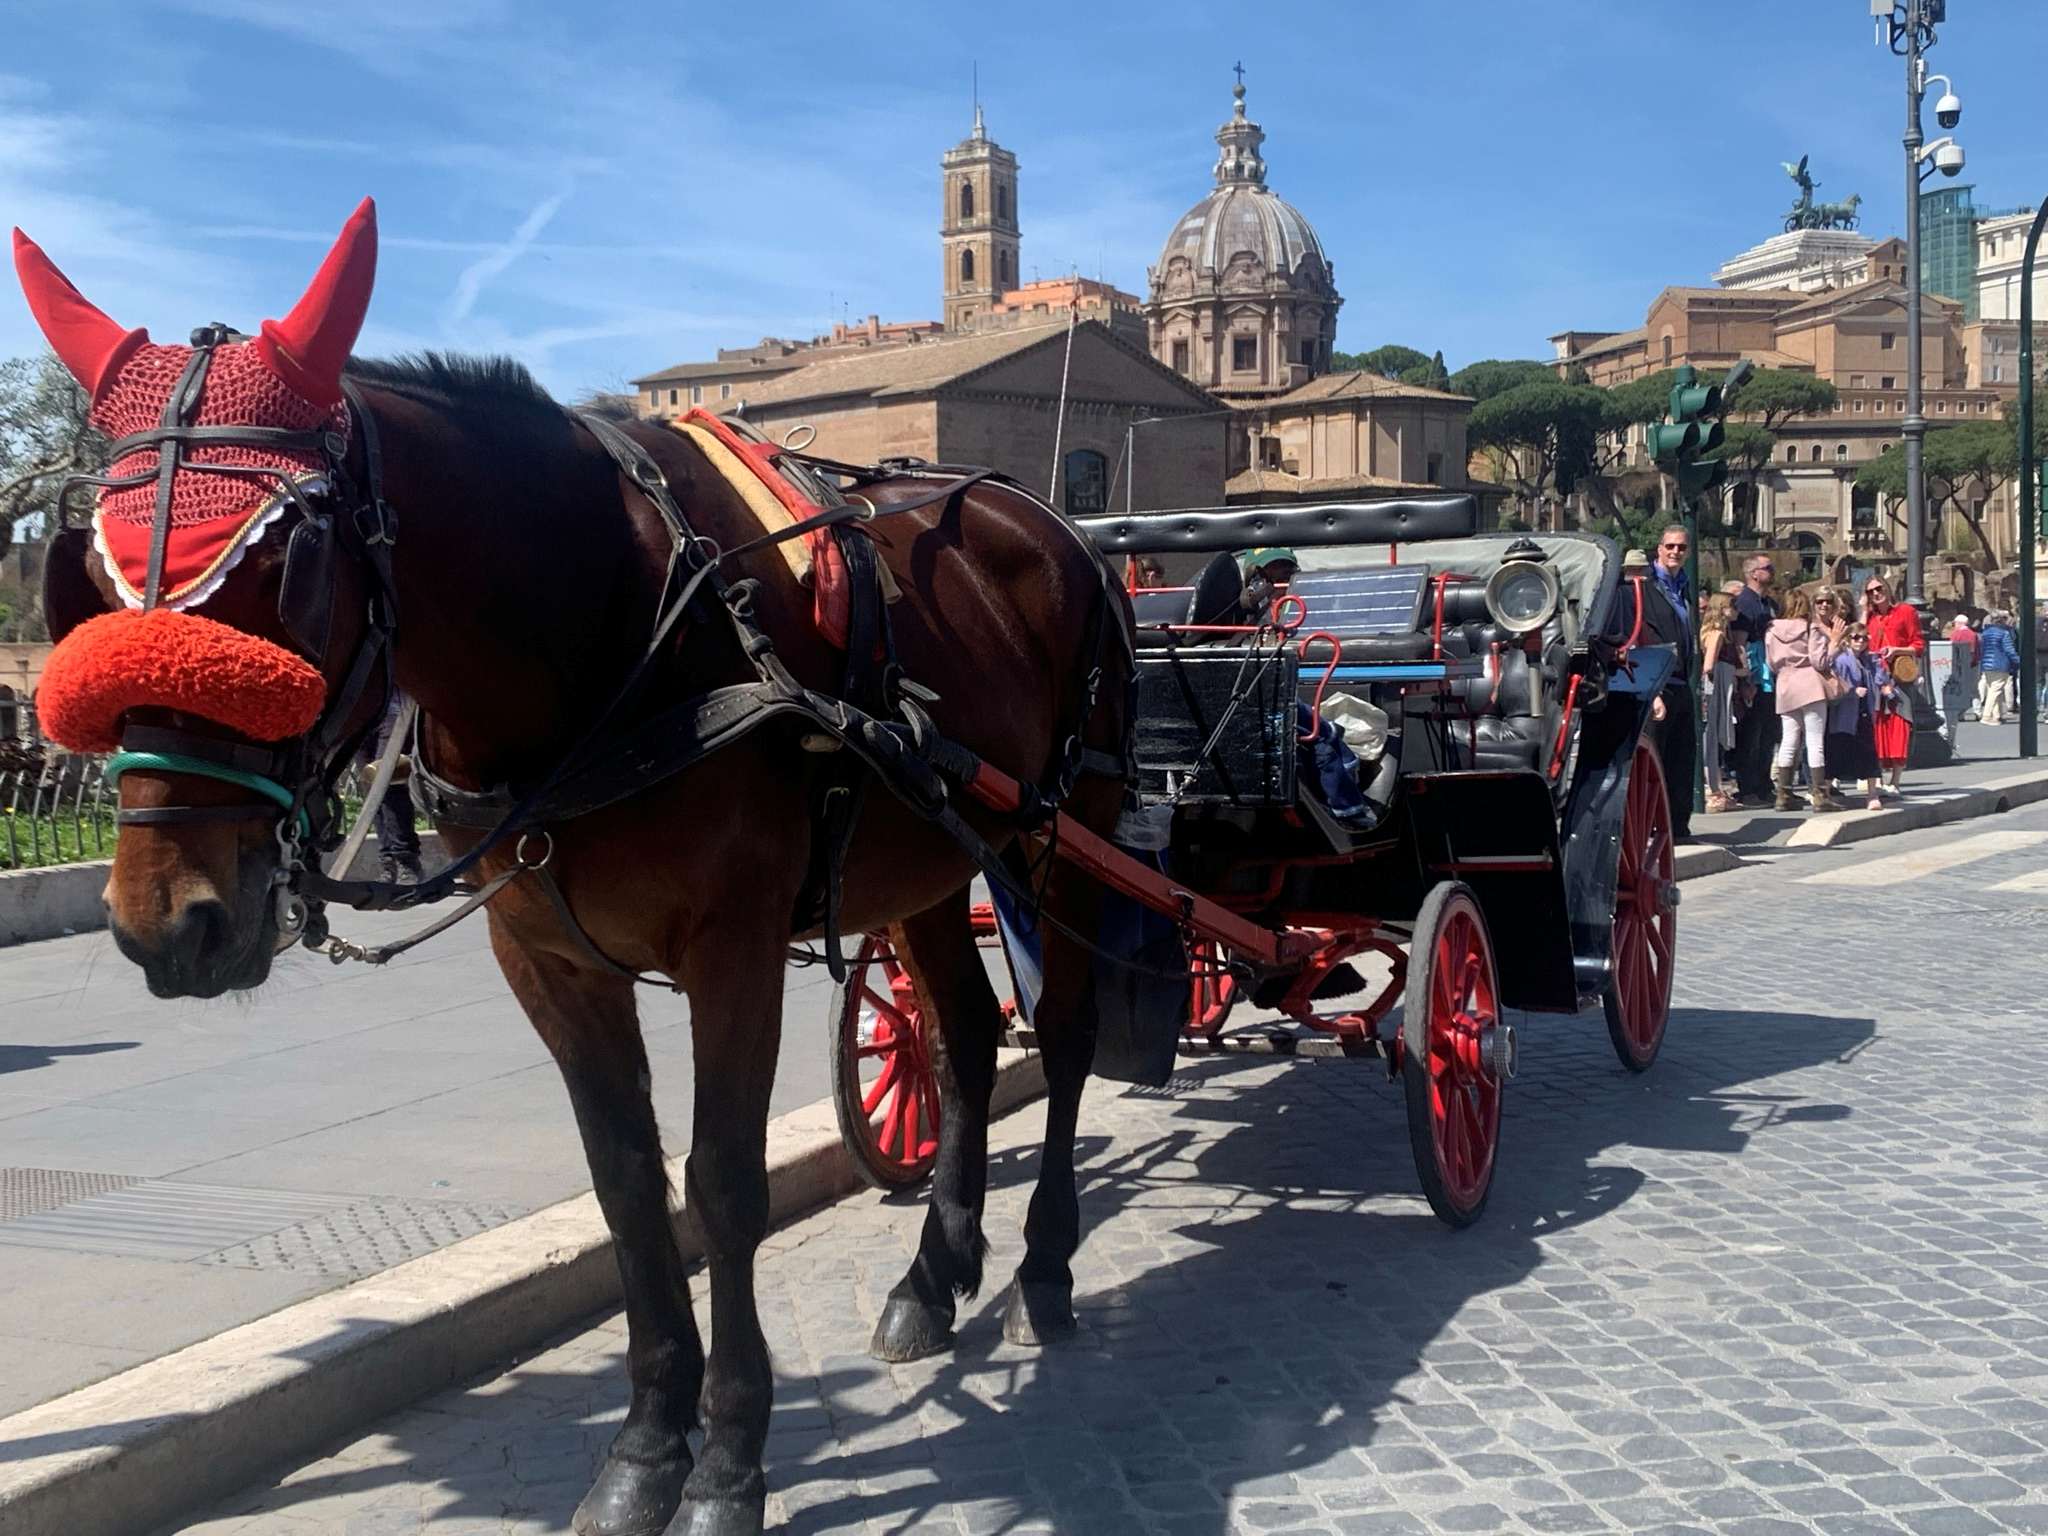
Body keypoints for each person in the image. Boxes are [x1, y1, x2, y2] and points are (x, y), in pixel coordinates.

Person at [1637, 526, 1696, 841]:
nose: (1675, 552)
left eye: (1682, 548)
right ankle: (1651, 826)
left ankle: (1678, 826)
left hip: (1681, 681)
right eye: (1670, 546)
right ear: (1658, 549)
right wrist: (1654, 689)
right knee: (1655, 760)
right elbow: (1641, 637)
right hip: (1657, 684)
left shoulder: (1682, 586)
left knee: (1682, 758)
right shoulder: (1645, 586)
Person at [1767, 587, 1844, 813]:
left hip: (1785, 685)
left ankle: (1783, 793)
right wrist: (1835, 644)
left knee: (1789, 740)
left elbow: (1771, 663)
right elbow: (1820, 661)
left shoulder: (1771, 629)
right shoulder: (1811, 628)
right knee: (1814, 740)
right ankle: (1820, 794)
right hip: (1809, 685)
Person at [1862, 575, 1922, 796]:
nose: (1876, 593)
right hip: (1874, 678)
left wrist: (1897, 650)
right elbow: (1857, 636)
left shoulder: (1905, 612)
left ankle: (1895, 780)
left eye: (1879, 588)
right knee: (1876, 728)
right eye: (1870, 591)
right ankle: (1876, 778)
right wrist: (1862, 609)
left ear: (1887, 588)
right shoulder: (1869, 617)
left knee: (1899, 725)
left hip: (1898, 676)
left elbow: (1918, 644)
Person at [354, 692, 422, 884]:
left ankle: (406, 860)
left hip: (394, 709)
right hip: (359, 716)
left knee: (390, 786)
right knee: (371, 793)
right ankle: (388, 861)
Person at [1729, 553, 1780, 804]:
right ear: (1753, 573)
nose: (1772, 571)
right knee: (1751, 734)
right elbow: (1739, 642)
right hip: (1754, 673)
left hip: (1769, 672)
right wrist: (1745, 679)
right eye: (1767, 567)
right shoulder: (1745, 603)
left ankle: (1763, 784)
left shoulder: (1769, 602)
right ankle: (1747, 786)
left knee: (1768, 732)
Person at [1826, 623, 1888, 812]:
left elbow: (1881, 677)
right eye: (1856, 637)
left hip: (1863, 712)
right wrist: (1852, 692)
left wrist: (1886, 684)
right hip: (1844, 713)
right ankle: (1823, 792)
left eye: (1864, 638)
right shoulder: (1842, 660)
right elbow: (1835, 684)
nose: (1860, 641)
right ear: (1847, 639)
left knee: (1869, 753)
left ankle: (1872, 794)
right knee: (1836, 752)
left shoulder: (1869, 660)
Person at [1700, 591, 1743, 813]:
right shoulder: (1717, 634)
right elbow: (1708, 665)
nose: (1736, 610)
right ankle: (1712, 789)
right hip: (1715, 685)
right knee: (1712, 737)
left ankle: (1714, 787)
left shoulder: (1710, 631)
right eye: (1732, 605)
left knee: (1712, 737)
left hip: (1717, 684)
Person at [1978, 608, 2021, 724]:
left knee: (1993, 689)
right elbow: (2009, 650)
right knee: (1996, 690)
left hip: (1986, 664)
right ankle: (1986, 716)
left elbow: (1982, 649)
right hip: (2000, 663)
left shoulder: (1985, 633)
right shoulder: (2004, 633)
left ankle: (1996, 716)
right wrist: (2018, 661)